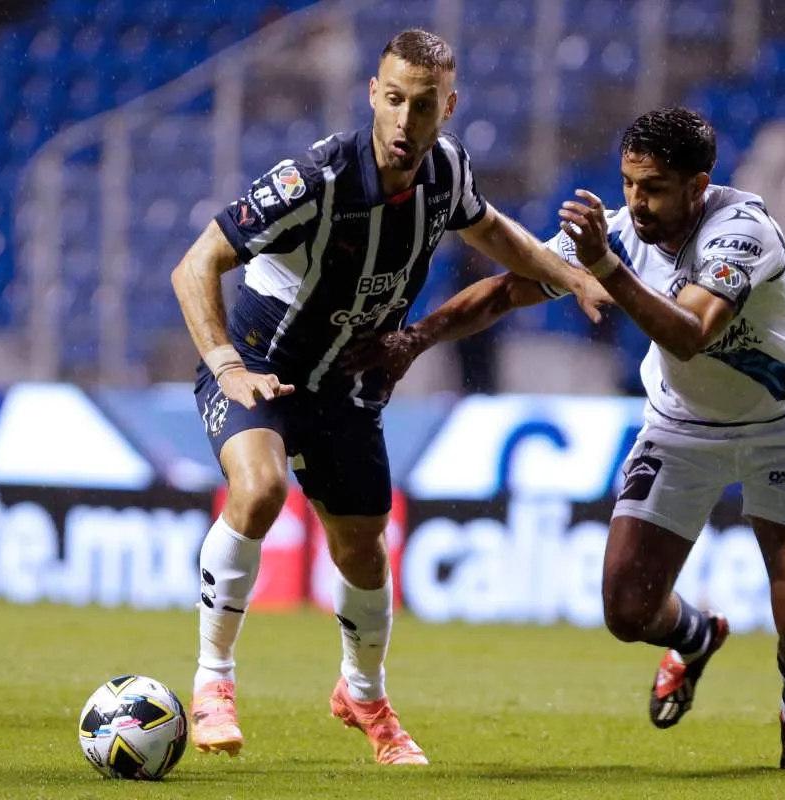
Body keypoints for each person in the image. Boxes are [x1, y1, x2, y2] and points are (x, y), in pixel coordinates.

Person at [344, 107, 785, 771]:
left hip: (784, 429)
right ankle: (697, 636)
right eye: (629, 183)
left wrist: (604, 266)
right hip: (682, 426)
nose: (637, 201)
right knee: (627, 610)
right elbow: (508, 291)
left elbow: (690, 334)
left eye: (654, 188)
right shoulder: (622, 231)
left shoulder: (742, 233)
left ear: (698, 186)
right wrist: (415, 339)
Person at [169, 29, 604, 766]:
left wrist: (573, 277)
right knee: (261, 488)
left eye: (423, 105)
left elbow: (492, 231)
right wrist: (225, 364)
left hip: (345, 385)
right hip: (260, 367)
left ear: (448, 107)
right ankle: (214, 680)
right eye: (394, 99)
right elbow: (196, 263)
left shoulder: (448, 171)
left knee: (365, 551)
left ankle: (363, 695)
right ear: (373, 93)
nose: (405, 120)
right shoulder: (314, 180)